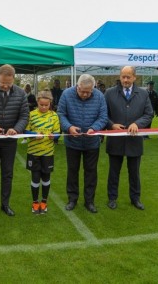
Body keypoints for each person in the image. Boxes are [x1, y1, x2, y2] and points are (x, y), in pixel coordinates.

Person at [0, 64, 29, 218]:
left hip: (10, 141)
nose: (5, 86)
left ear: (14, 79)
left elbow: (24, 116)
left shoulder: (21, 94)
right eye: (2, 83)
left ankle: (5, 204)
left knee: (8, 173)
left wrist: (16, 128)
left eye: (8, 83)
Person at [104, 66, 153, 210]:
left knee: (134, 173)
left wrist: (137, 124)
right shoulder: (109, 93)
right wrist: (111, 125)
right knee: (114, 172)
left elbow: (149, 114)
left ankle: (135, 198)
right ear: (120, 77)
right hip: (115, 140)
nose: (125, 80)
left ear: (134, 77)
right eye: (123, 76)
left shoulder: (143, 94)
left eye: (128, 77)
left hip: (134, 139)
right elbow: (103, 114)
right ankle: (112, 198)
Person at [58, 74, 108, 213]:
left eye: (88, 91)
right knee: (72, 171)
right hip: (72, 142)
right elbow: (61, 114)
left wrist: (95, 128)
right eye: (82, 91)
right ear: (77, 86)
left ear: (93, 88)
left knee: (91, 172)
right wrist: (68, 127)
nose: (85, 94)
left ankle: (89, 201)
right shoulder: (66, 94)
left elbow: (103, 116)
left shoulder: (99, 96)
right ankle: (72, 199)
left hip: (92, 142)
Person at [25, 89, 60, 214]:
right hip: (34, 153)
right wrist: (34, 134)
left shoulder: (54, 116)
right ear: (37, 103)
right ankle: (35, 202)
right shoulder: (31, 114)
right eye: (41, 105)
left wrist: (53, 136)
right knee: (35, 178)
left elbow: (58, 134)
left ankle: (44, 202)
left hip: (48, 153)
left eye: (46, 105)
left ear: (50, 103)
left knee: (46, 178)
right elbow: (25, 132)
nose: (44, 107)